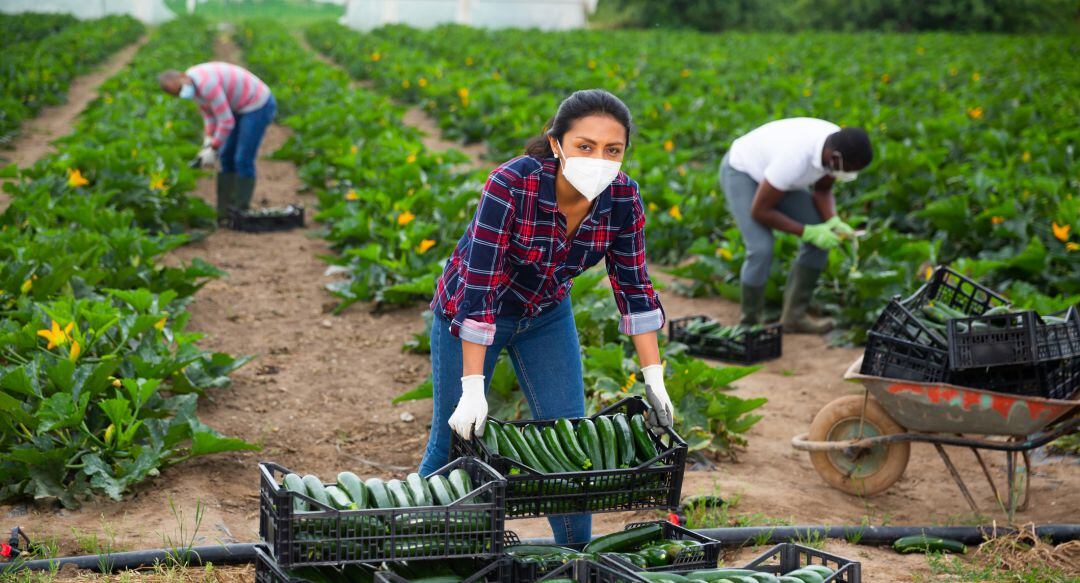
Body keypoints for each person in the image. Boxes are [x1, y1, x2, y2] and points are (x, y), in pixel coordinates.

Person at [420, 89, 674, 544]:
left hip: (546, 316)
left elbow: (635, 290)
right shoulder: (512, 184)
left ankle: (577, 557)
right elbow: (480, 286)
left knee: (570, 444)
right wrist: (474, 389)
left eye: (612, 150)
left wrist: (654, 379)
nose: (599, 159)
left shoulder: (622, 199)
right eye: (585, 146)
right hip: (475, 312)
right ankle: (411, 540)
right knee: (452, 440)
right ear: (557, 144)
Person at [721, 118, 873, 333]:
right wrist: (807, 231)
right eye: (848, 168)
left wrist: (832, 221)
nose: (848, 173)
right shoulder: (795, 158)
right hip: (743, 171)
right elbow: (760, 211)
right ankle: (749, 324)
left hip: (778, 179)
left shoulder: (836, 147)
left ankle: (794, 317)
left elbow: (822, 190)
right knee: (761, 248)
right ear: (836, 157)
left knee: (823, 239)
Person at [158, 63, 275, 222]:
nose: (181, 94)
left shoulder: (206, 84)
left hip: (257, 103)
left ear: (182, 76)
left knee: (242, 158)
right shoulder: (193, 86)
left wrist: (214, 147)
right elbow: (210, 115)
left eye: (179, 89)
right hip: (237, 106)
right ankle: (225, 211)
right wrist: (208, 140)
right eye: (176, 94)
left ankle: (241, 211)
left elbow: (226, 121)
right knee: (226, 157)